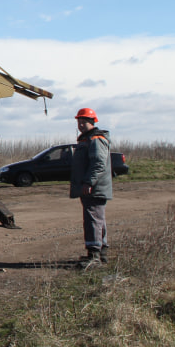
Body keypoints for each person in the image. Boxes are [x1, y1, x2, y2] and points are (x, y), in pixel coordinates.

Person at [70, 107, 113, 268]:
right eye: (79, 122)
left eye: (83, 121)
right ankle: (100, 253)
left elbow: (98, 163)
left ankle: (94, 255)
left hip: (94, 187)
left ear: (91, 121)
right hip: (93, 187)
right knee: (97, 219)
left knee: (93, 219)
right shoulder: (87, 139)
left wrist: (89, 182)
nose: (81, 124)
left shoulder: (95, 139)